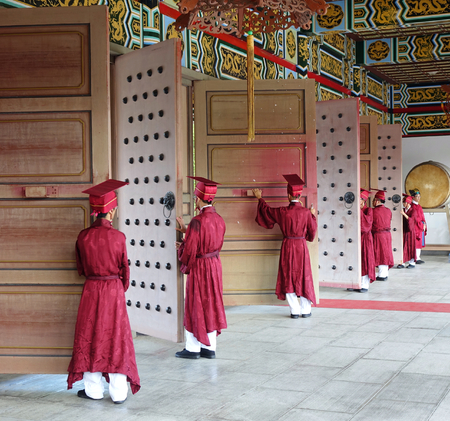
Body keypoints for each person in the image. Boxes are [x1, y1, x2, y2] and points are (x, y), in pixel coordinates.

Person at [67, 179, 140, 404]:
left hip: (91, 289)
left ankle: (93, 390)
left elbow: (80, 268)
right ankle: (118, 392)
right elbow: (125, 272)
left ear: (94, 212)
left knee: (89, 336)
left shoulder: (83, 236)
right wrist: (120, 286)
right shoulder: (119, 237)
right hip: (113, 291)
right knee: (116, 337)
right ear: (112, 211)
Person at [175, 176, 227, 359]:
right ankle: (210, 347)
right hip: (214, 265)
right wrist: (186, 231)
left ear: (198, 198)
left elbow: (190, 251)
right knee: (211, 304)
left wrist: (181, 246)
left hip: (200, 268)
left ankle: (193, 348)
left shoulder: (197, 221)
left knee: (195, 304)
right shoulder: (220, 220)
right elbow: (210, 240)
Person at [252, 174, 317, 318]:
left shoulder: (282, 212)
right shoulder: (306, 213)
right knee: (304, 275)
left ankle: (294, 310)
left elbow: (267, 211)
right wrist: (312, 216)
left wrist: (259, 198)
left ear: (288, 195)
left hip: (288, 246)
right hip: (301, 246)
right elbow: (312, 233)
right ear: (299, 196)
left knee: (288, 275)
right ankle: (306, 310)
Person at [349, 189, 375, 292]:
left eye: (359, 199)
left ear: (363, 200)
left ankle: (364, 284)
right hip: (354, 238)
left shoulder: (368, 210)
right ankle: (354, 283)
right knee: (354, 260)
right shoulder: (353, 210)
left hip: (365, 238)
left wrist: (358, 211)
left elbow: (366, 226)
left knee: (365, 260)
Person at [372, 190, 394, 281]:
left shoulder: (373, 211)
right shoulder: (388, 211)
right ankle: (385, 273)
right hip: (388, 235)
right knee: (386, 253)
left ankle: (382, 275)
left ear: (377, 200)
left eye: (373, 200)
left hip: (378, 235)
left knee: (380, 254)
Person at [397, 194, 416, 269]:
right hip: (404, 230)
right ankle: (402, 262)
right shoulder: (403, 210)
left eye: (404, 202)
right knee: (403, 246)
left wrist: (404, 214)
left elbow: (411, 221)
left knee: (411, 246)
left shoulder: (413, 211)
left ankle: (412, 263)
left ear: (408, 203)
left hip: (410, 231)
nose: (403, 204)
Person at [409, 188, 427, 264]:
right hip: (416, 226)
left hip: (420, 226)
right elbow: (414, 218)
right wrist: (421, 224)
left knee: (419, 242)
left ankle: (418, 257)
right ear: (413, 197)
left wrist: (424, 224)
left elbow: (422, 216)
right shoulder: (412, 206)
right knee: (415, 242)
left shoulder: (419, 206)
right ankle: (415, 258)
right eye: (417, 196)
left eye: (419, 196)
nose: (419, 198)